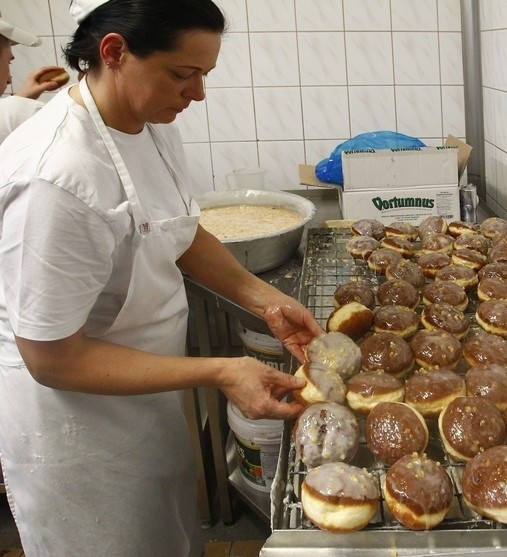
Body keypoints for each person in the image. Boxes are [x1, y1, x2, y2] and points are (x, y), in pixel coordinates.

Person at [0, 1, 323, 555]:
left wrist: (266, 300)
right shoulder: (56, 179)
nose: (197, 95)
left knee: (165, 536)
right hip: (80, 429)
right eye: (183, 73)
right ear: (114, 51)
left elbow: (180, 231)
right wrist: (221, 369)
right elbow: (51, 357)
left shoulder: (147, 123)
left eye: (204, 75)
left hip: (147, 395)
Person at [0, 10, 70, 142]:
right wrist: (18, 105)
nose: (9, 80)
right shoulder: (27, 113)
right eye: (8, 61)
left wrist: (20, 98)